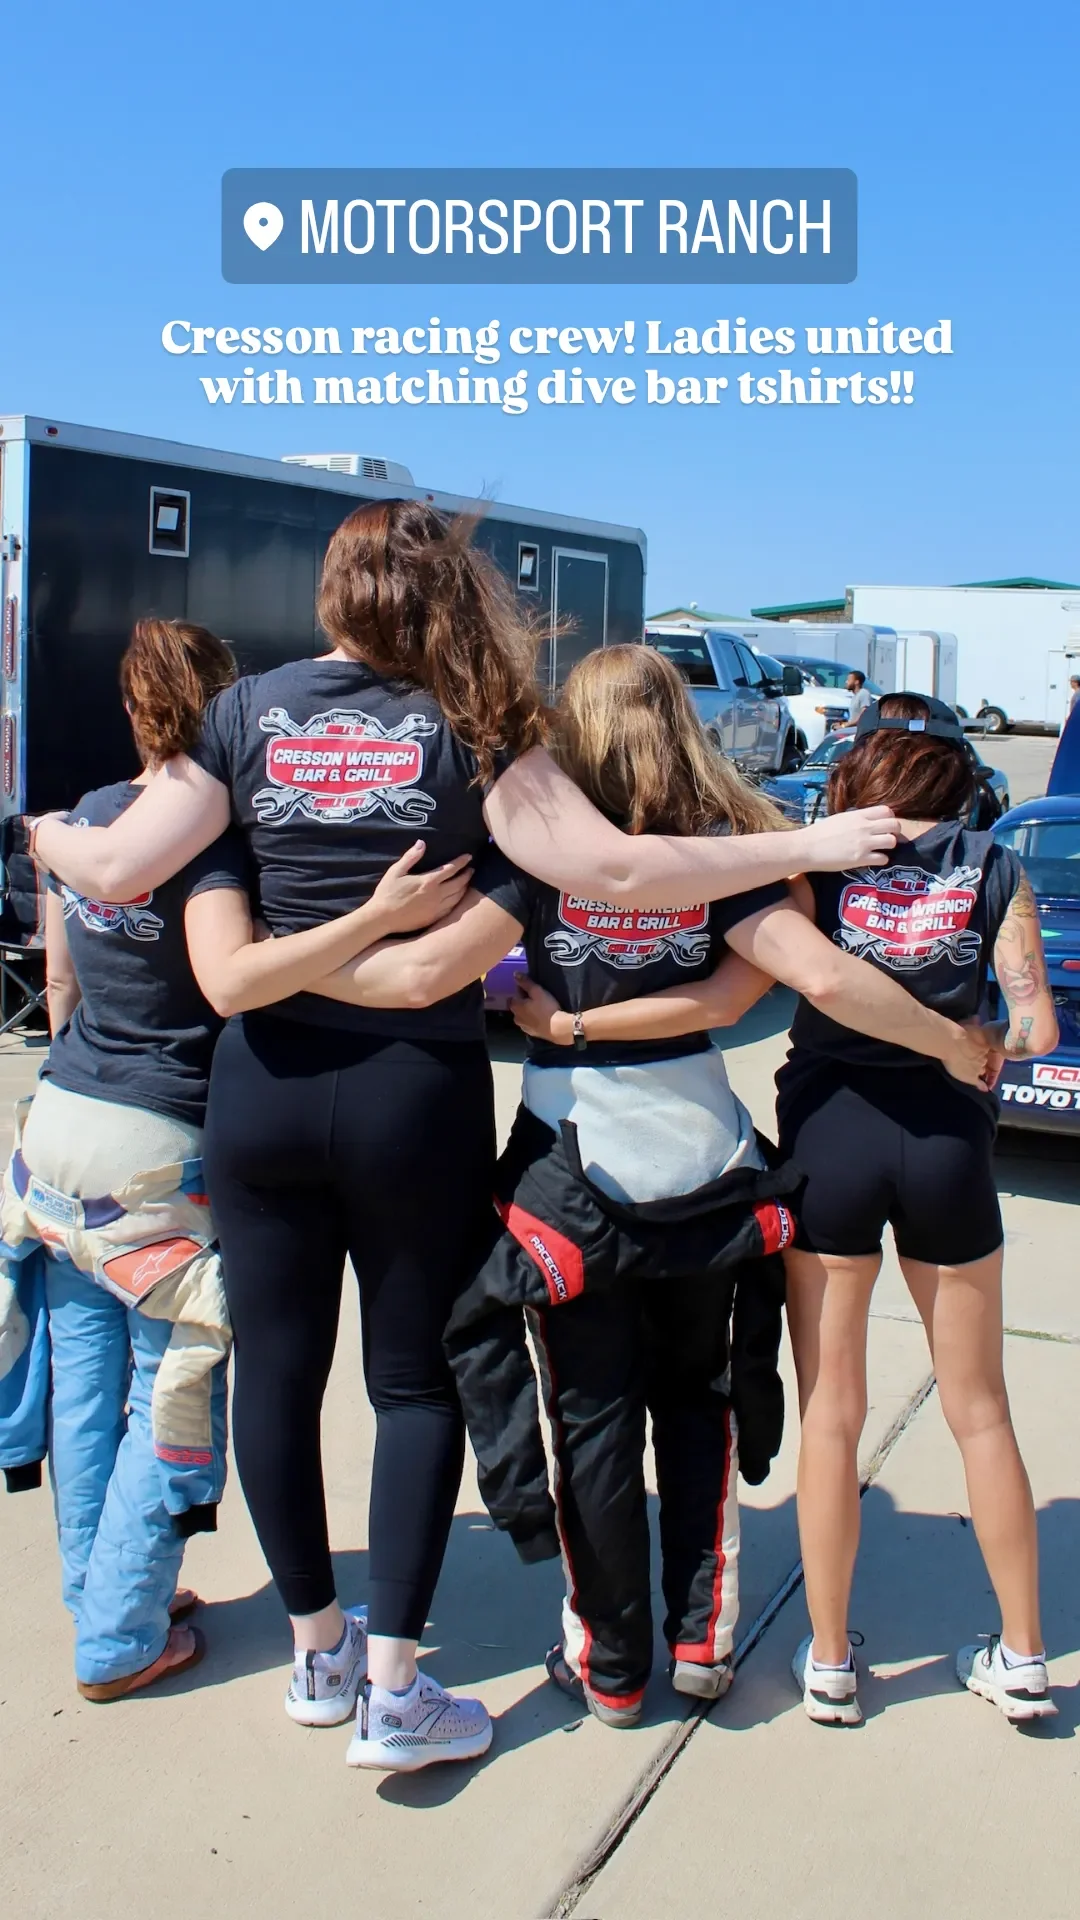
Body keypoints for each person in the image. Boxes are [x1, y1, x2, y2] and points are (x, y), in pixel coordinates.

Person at [30, 502, 910, 1773]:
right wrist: (807, 842)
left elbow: (115, 873)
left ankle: (317, 1653)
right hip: (410, 1094)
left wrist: (49, 832)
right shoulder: (475, 725)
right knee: (412, 1381)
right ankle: (397, 1692)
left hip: (263, 1084)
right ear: (446, 599)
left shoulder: (243, 714)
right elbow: (616, 872)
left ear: (330, 593)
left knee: (278, 1374)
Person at [307, 649, 991, 1727]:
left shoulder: (537, 859)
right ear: (683, 723)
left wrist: (272, 968)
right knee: (698, 1406)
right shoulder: (731, 855)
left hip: (571, 1176)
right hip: (704, 1168)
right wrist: (950, 1041)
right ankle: (702, 1643)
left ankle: (613, 1665)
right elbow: (786, 985)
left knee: (592, 1421)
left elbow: (427, 975)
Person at [0, 618, 469, 1705]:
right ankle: (119, 1634)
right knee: (170, 1395)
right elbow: (238, 978)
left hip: (60, 1122)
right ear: (225, 715)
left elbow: (60, 988)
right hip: (159, 1140)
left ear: (129, 706)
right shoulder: (220, 845)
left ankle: (103, 1596)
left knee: (86, 1386)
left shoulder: (95, 823)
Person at [774, 694, 1059, 1727]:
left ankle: (835, 1661)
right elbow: (1032, 1028)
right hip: (945, 1142)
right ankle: (1024, 1656)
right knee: (979, 1405)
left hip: (829, 1136)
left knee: (831, 1410)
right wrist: (969, 1031)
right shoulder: (996, 866)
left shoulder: (820, 863)